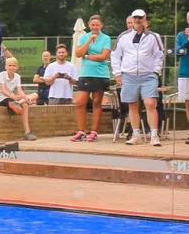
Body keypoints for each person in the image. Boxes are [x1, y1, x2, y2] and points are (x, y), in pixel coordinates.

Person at [110, 9, 164, 146]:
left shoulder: (153, 36)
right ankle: (136, 134)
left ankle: (154, 135)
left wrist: (156, 72)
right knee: (132, 105)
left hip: (148, 75)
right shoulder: (123, 37)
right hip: (129, 75)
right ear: (132, 19)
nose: (137, 20)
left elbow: (159, 55)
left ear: (145, 19)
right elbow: (115, 56)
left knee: (150, 104)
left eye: (140, 18)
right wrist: (117, 73)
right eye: (135, 18)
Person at [71, 15, 112, 142]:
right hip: (85, 73)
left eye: (97, 25)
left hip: (100, 74)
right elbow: (78, 54)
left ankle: (94, 131)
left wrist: (88, 56)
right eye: (93, 25)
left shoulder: (106, 38)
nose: (95, 27)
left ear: (101, 26)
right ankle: (81, 131)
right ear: (89, 25)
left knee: (96, 102)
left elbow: (104, 56)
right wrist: (89, 42)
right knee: (80, 102)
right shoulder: (83, 37)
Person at [0, 57, 37, 140]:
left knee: (33, 96)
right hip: (3, 99)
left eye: (13, 65)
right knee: (22, 104)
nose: (11, 67)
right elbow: (3, 90)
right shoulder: (1, 75)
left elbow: (19, 90)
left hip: (13, 98)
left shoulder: (17, 76)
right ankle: (19, 104)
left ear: (17, 67)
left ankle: (27, 131)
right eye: (9, 65)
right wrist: (14, 97)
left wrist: (25, 96)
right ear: (6, 66)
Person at [176, 12, 189, 145]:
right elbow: (178, 52)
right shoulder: (181, 35)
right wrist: (187, 41)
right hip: (185, 73)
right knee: (188, 103)